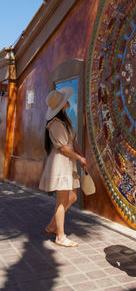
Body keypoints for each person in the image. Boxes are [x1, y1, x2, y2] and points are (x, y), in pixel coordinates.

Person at [39, 87, 88, 247]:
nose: (67, 101)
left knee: (72, 196)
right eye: (64, 99)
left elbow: (72, 142)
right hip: (61, 163)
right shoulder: (54, 124)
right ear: (61, 105)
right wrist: (79, 157)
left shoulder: (65, 120)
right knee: (61, 201)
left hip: (69, 162)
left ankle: (52, 225)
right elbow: (62, 147)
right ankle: (60, 236)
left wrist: (80, 155)